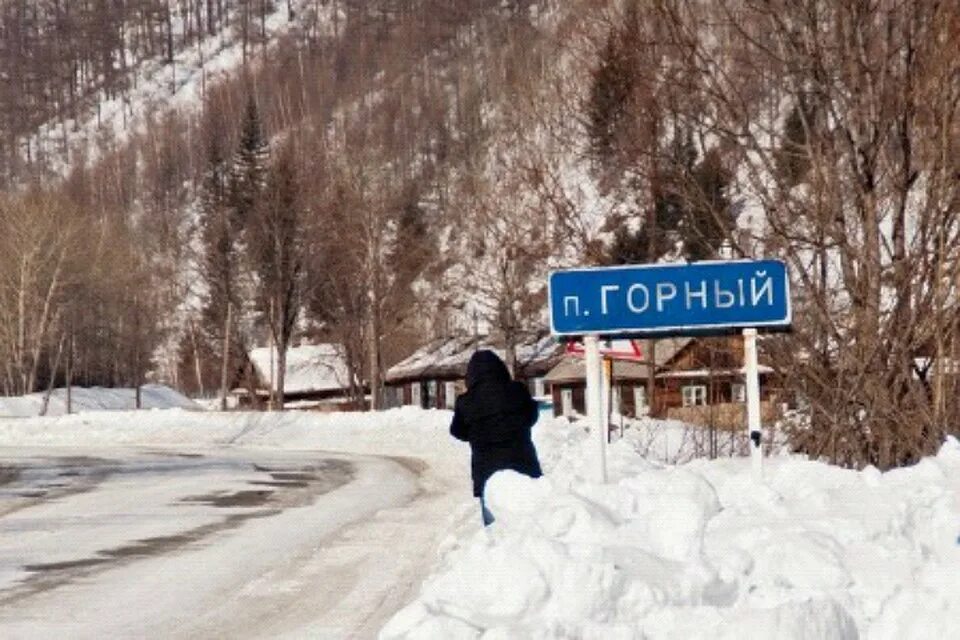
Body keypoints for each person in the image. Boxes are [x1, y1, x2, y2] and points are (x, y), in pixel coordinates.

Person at [450, 350, 543, 526]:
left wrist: (476, 434)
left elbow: (456, 431)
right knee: (532, 526)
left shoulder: (466, 401)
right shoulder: (517, 390)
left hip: (487, 472)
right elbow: (531, 417)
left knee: (495, 531)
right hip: (523, 465)